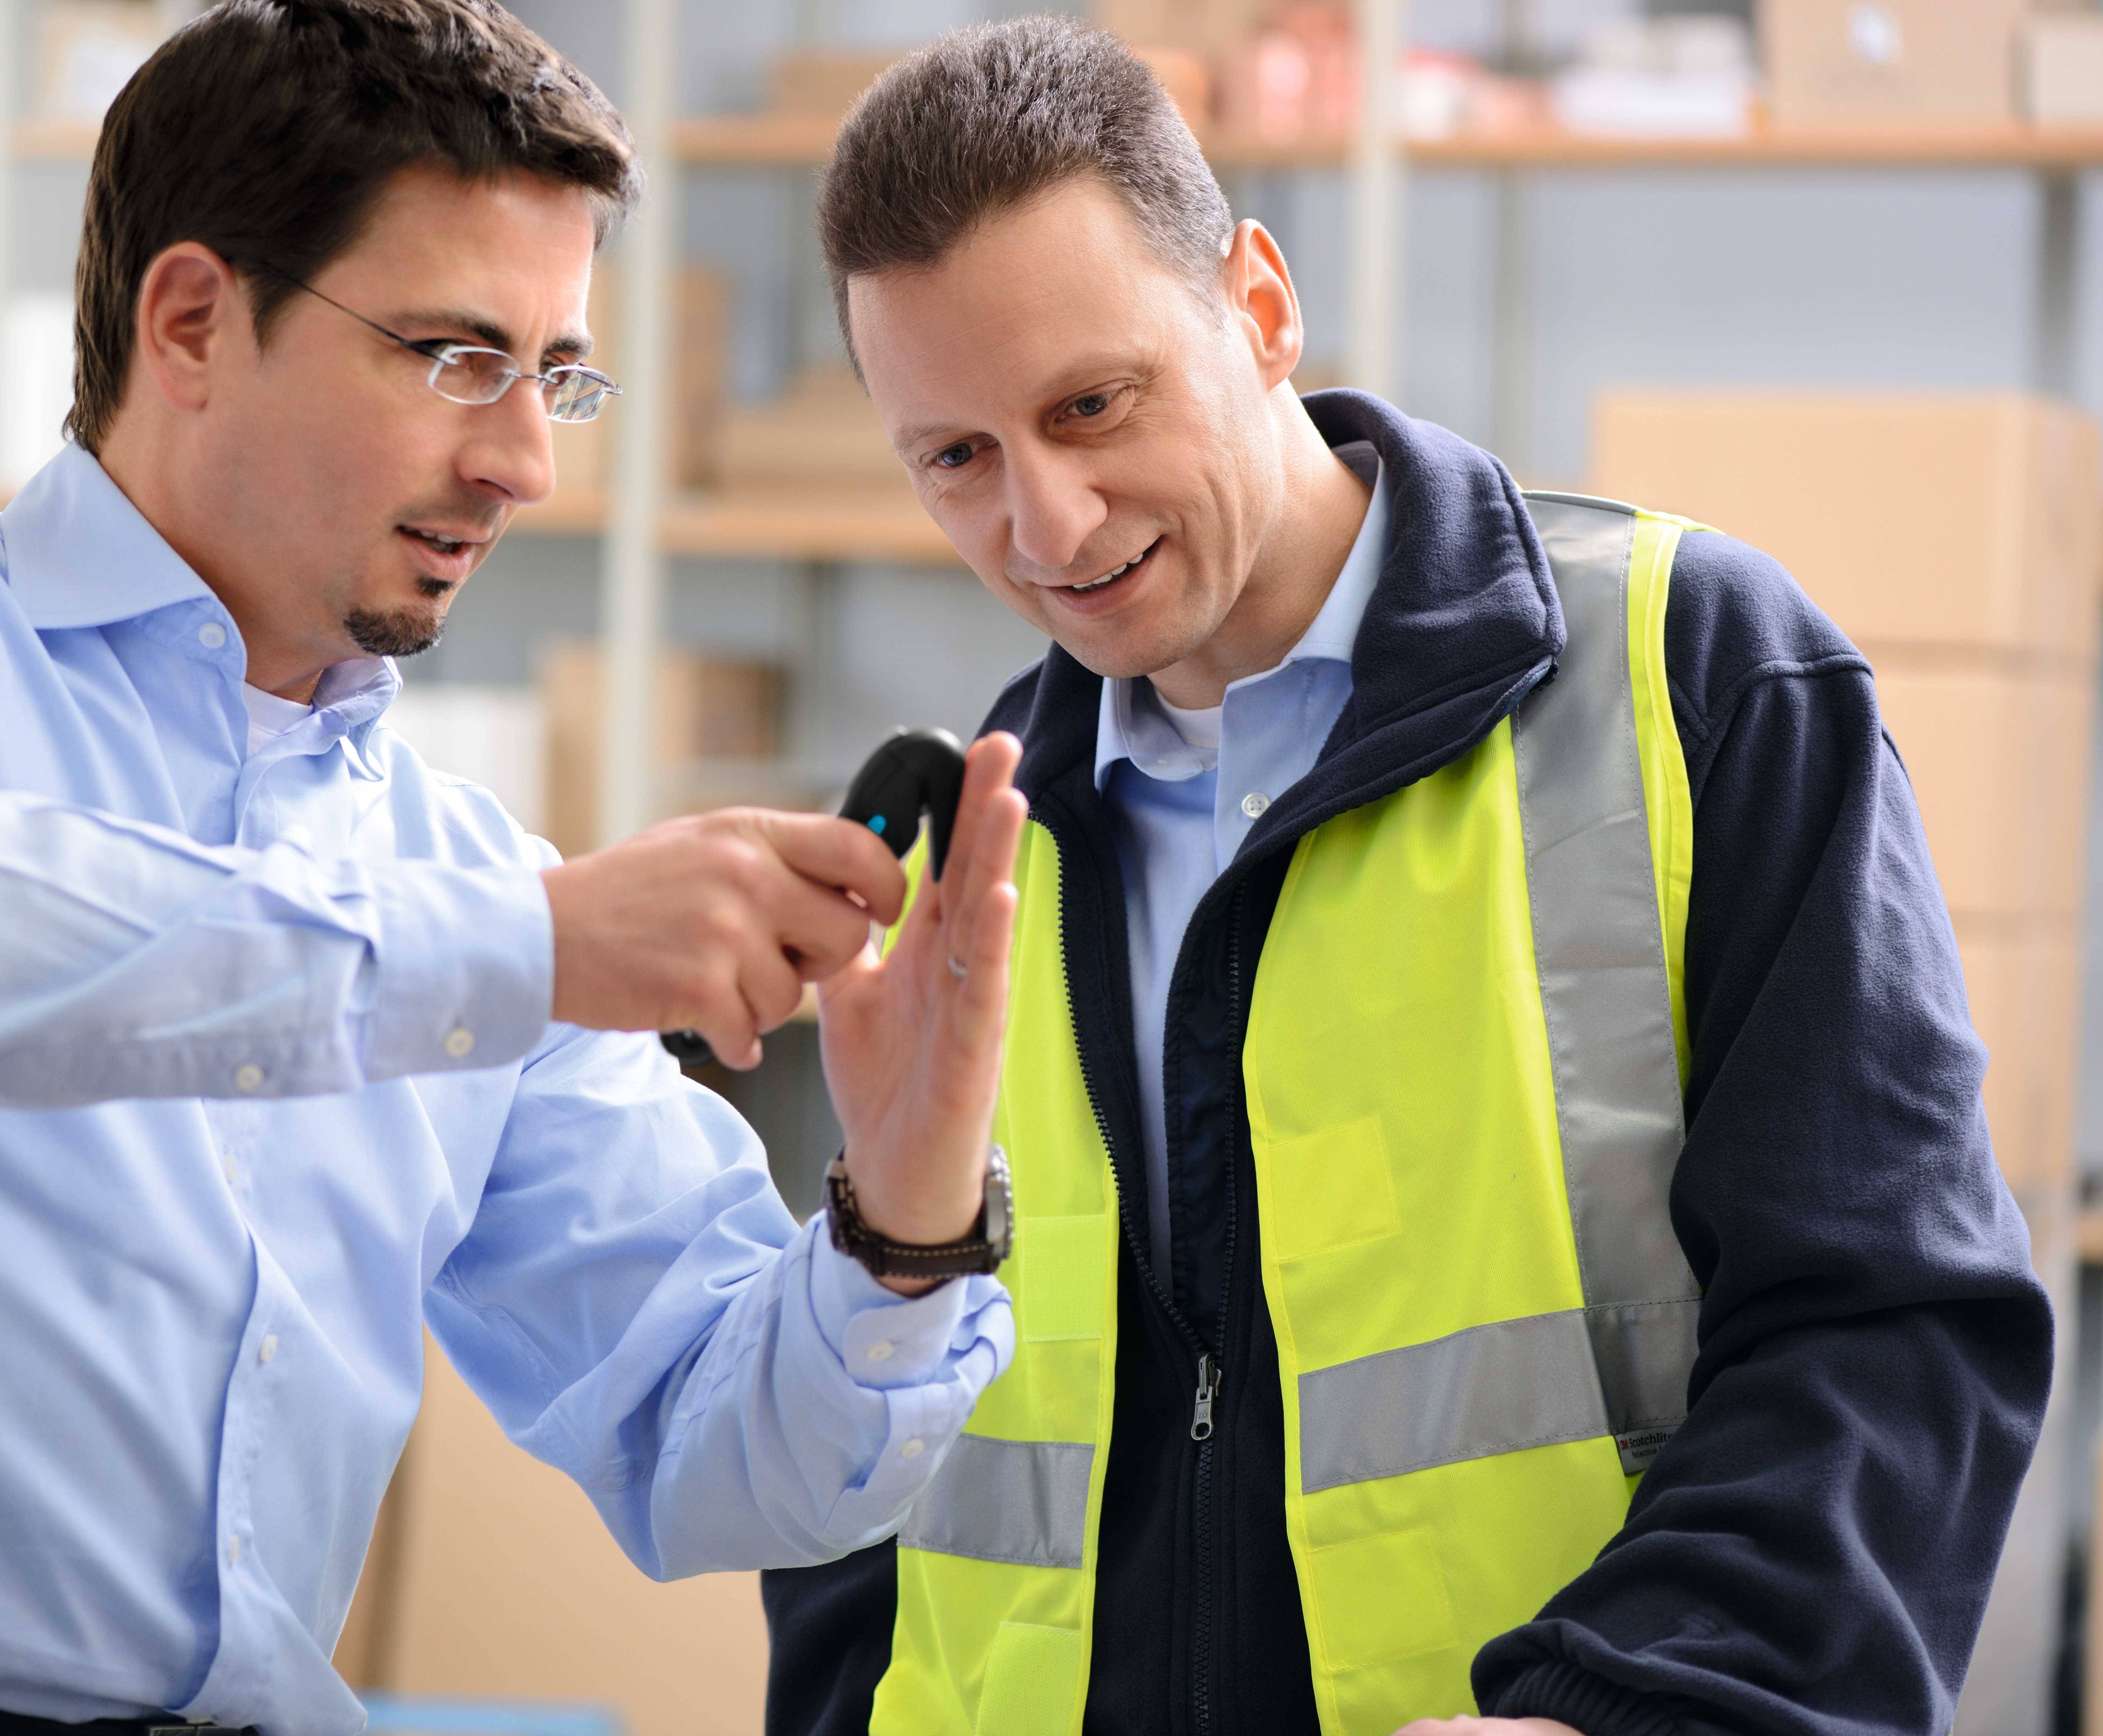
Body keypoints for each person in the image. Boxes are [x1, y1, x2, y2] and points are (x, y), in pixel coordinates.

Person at [0, 4, 1036, 1733]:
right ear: (191, 319)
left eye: (555, 375)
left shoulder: (457, 876)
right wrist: (524, 947)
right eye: (455, 355)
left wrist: (906, 1220)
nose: (526, 461)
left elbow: (718, 1447)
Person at [758, 18, 2053, 1736]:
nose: (1049, 525)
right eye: (958, 459)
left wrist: (1623, 1711)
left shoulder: (1694, 679)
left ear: (1262, 305)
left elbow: (1885, 1329)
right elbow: (862, 1469)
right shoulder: (957, 855)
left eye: (1093, 403)